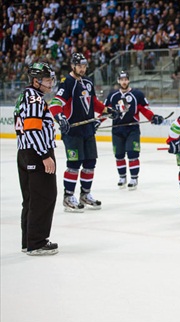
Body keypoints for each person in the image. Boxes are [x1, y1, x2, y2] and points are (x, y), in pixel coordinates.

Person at [49, 53, 120, 212]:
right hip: (72, 130)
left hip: (88, 130)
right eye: (79, 66)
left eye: (84, 65)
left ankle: (85, 194)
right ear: (73, 66)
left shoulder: (88, 81)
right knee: (74, 164)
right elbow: (55, 103)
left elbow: (94, 103)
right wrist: (60, 118)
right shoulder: (66, 82)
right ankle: (68, 197)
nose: (83, 68)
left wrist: (108, 110)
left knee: (90, 163)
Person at [15, 62, 59, 255]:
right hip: (36, 153)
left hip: (24, 153)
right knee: (45, 196)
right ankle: (37, 242)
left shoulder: (25, 96)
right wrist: (45, 155)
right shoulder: (34, 99)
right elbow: (33, 130)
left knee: (31, 198)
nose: (51, 83)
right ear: (36, 81)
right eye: (47, 80)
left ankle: (28, 241)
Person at [104, 70, 164, 190]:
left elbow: (144, 109)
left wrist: (152, 117)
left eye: (126, 79)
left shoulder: (137, 95)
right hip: (117, 130)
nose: (124, 82)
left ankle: (134, 178)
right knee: (119, 155)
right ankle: (122, 177)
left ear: (129, 80)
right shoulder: (112, 96)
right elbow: (105, 111)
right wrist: (97, 121)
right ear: (118, 81)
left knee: (133, 154)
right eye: (121, 79)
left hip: (132, 129)